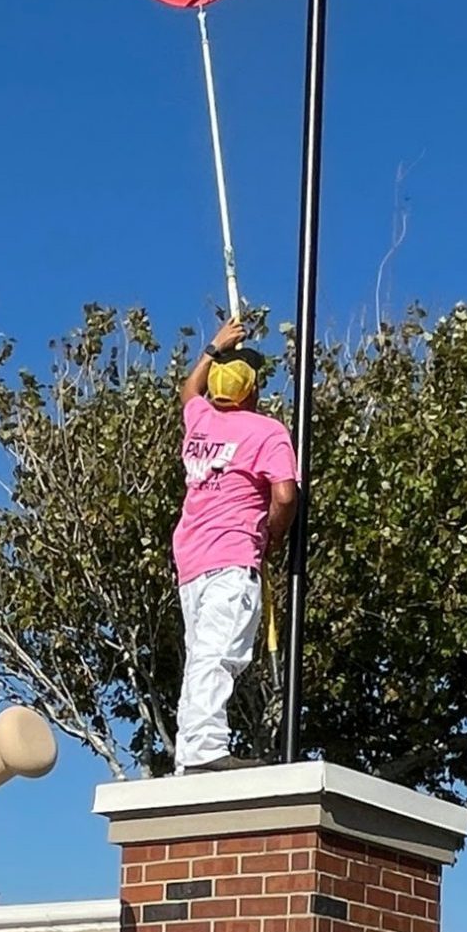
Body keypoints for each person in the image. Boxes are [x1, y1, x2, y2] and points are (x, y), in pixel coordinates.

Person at [172, 314, 299, 773]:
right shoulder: (266, 431)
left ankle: (191, 751)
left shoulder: (200, 419)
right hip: (232, 556)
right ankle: (204, 751)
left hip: (192, 560)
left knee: (202, 653)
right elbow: (285, 494)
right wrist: (275, 534)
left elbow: (189, 391)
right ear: (252, 389)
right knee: (218, 653)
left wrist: (214, 345)